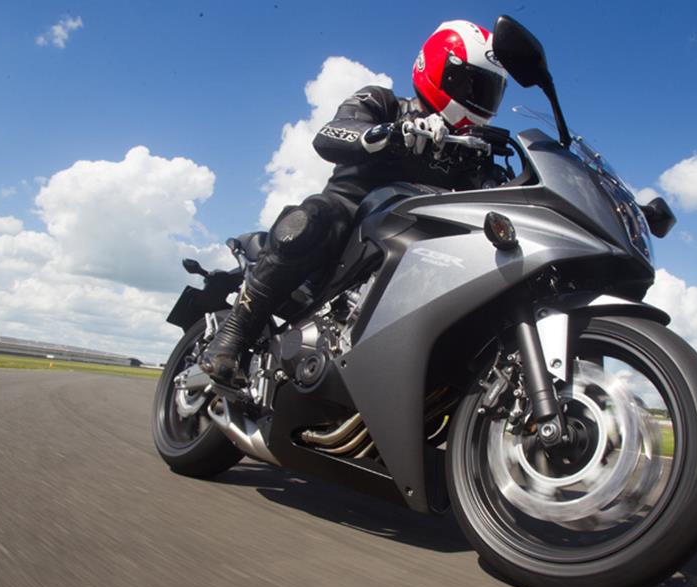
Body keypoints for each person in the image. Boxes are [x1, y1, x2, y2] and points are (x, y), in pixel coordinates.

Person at [199, 19, 509, 386]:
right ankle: (232, 336)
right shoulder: (382, 102)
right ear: (439, 69)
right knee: (308, 223)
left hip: (422, 239)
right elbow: (331, 133)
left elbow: (496, 192)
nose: (478, 97)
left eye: (487, 90)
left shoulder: (474, 153)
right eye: (470, 83)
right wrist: (391, 133)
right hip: (350, 214)